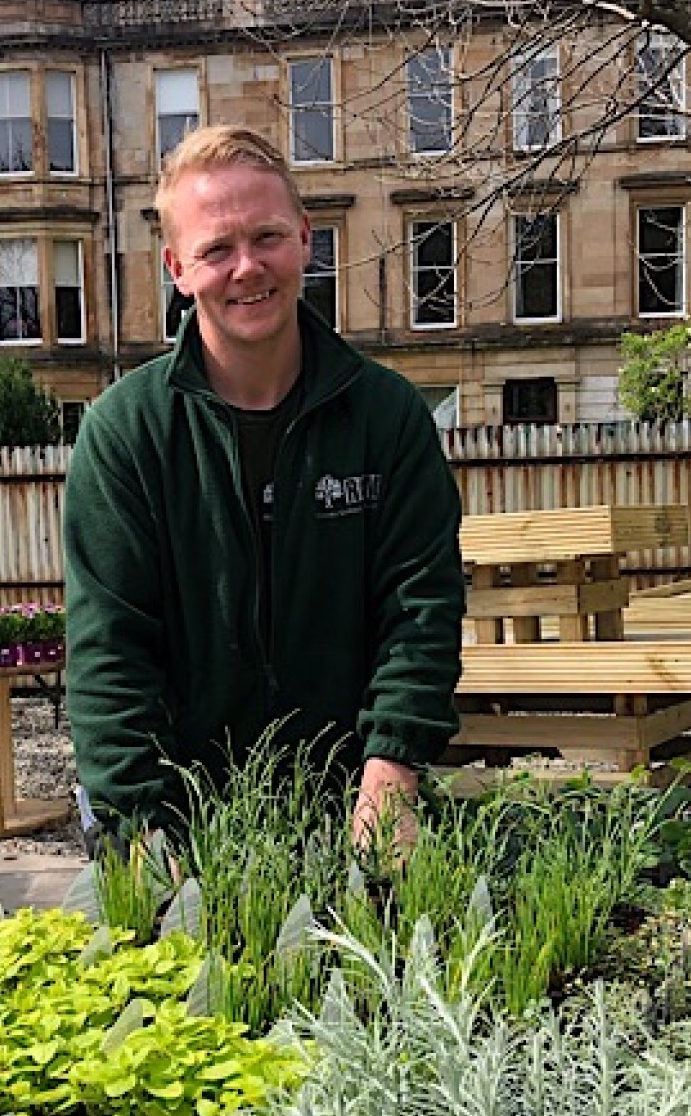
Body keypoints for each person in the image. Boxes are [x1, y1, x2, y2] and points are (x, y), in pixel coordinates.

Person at [62, 124, 465, 850]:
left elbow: (421, 609)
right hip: (177, 811)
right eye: (217, 249)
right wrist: (143, 827)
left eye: (267, 237)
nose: (247, 267)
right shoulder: (127, 433)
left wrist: (393, 766)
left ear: (307, 239)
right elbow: (109, 651)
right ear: (178, 268)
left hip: (354, 801)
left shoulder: (386, 417)